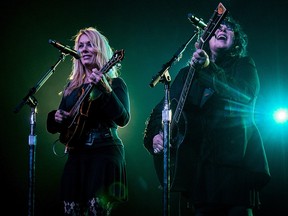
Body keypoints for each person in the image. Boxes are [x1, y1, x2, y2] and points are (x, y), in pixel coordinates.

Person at [143, 16, 271, 216]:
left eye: (229, 29)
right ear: (205, 38)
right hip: (201, 167)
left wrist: (209, 67)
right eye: (217, 27)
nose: (223, 30)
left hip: (235, 163)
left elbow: (244, 94)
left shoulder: (244, 64)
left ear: (235, 40)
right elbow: (162, 108)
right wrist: (155, 135)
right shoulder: (187, 74)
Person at [46, 27, 130, 216]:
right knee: (71, 209)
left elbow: (123, 118)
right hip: (77, 155)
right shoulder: (71, 87)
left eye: (89, 45)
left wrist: (106, 89)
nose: (83, 49)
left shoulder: (116, 83)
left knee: (96, 210)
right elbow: (59, 127)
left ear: (100, 49)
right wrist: (56, 117)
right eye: (80, 46)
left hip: (104, 152)